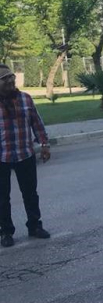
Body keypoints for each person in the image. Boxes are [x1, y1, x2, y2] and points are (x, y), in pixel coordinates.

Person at [0, 65, 51, 247]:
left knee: (30, 194)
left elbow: (37, 123)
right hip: (2, 157)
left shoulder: (25, 99)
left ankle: (35, 226)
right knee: (2, 198)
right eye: (4, 78)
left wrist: (44, 145)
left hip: (25, 154)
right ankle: (6, 232)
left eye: (11, 77)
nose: (10, 81)